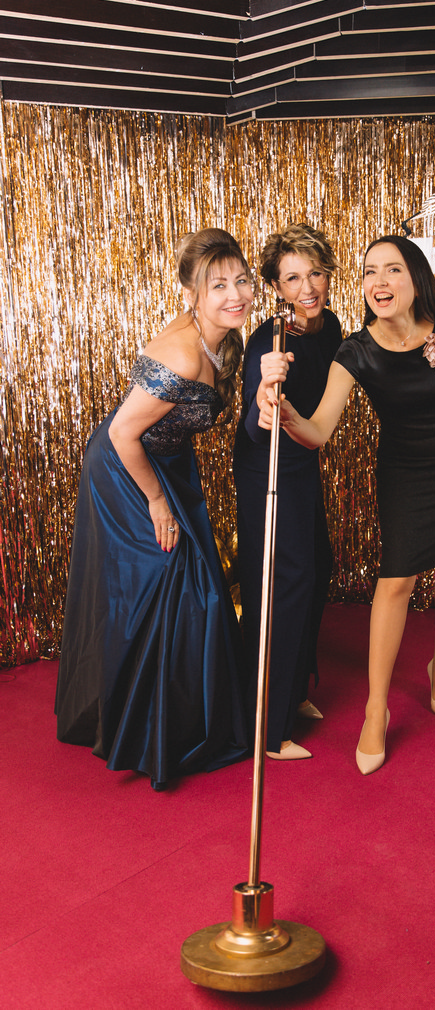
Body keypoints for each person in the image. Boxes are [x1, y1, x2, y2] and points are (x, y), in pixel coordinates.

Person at [260, 235, 435, 774]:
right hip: (407, 472)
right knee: (396, 581)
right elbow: (319, 430)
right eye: (371, 271)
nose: (379, 281)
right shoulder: (356, 351)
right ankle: (377, 710)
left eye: (392, 269)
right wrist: (287, 415)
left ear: (415, 277)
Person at [55, 228, 253, 790]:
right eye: (218, 285)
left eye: (241, 281)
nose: (235, 294)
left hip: (168, 463)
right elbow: (123, 433)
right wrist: (159, 501)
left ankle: (186, 717)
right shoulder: (184, 353)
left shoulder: (224, 339)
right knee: (169, 580)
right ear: (192, 293)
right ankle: (145, 730)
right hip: (127, 469)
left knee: (198, 581)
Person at [233, 224, 342, 760]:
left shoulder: (332, 326)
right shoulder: (269, 342)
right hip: (266, 469)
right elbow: (254, 428)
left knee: (317, 568)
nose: (307, 287)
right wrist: (263, 398)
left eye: (315, 273)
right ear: (277, 287)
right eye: (293, 278)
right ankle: (268, 728)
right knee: (283, 584)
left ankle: (294, 690)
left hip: (303, 459)